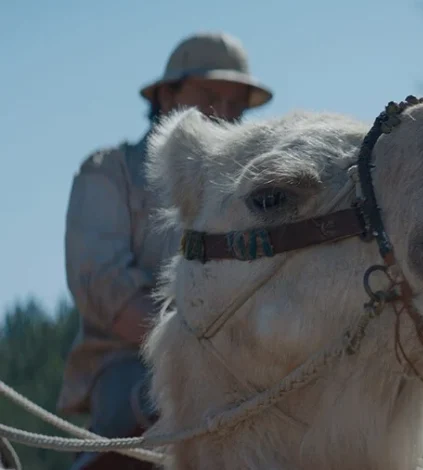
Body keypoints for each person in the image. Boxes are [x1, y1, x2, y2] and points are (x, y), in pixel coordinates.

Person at [57, 31, 273, 470]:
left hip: (247, 365)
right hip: (128, 362)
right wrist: (200, 353)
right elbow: (104, 286)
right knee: (149, 402)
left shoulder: (253, 193)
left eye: (236, 106)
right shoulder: (108, 172)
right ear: (166, 95)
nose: (225, 115)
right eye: (210, 97)